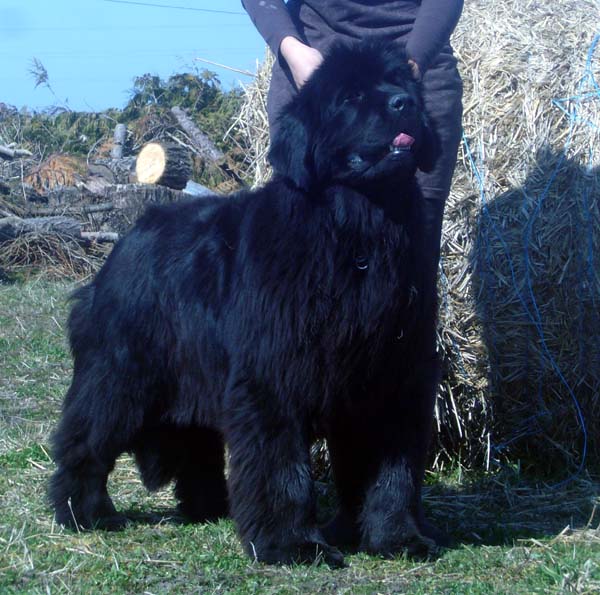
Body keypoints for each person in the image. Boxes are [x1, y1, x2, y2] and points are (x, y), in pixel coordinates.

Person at [241, 1, 463, 349]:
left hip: (410, 69)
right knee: (302, 263)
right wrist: (292, 49)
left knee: (410, 271)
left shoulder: (408, 78)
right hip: (319, 79)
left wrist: (410, 67)